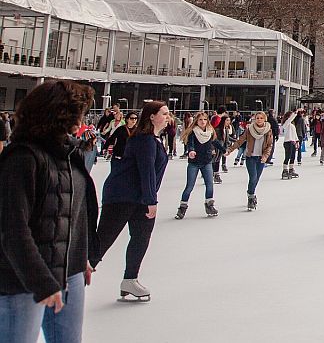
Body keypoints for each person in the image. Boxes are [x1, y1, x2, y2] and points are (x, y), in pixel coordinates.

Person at [0, 80, 98, 343]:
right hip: (21, 279)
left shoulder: (70, 154)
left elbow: (75, 213)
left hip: (69, 271)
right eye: (77, 113)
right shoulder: (22, 159)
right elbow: (13, 230)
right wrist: (41, 281)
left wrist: (80, 255)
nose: (81, 121)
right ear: (57, 114)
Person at [91, 100, 170, 301]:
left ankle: (130, 279)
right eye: (164, 113)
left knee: (141, 237)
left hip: (138, 198)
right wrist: (151, 200)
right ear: (151, 116)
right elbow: (147, 171)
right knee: (104, 239)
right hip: (123, 197)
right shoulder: (144, 140)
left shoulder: (153, 139)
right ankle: (75, 274)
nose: (168, 117)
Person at [225, 111, 274, 211]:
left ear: (264, 119)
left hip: (261, 158)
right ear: (255, 119)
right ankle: (251, 197)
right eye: (257, 118)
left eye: (261, 118)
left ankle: (250, 192)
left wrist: (265, 156)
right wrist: (230, 149)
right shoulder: (249, 129)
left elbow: (269, 145)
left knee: (256, 179)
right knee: (253, 177)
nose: (259, 120)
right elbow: (240, 140)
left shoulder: (268, 130)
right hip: (251, 157)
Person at [175, 111, 220, 219]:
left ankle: (209, 205)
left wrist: (225, 149)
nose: (203, 122)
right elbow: (191, 143)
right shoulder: (193, 132)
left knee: (210, 185)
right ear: (196, 121)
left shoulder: (210, 131)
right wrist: (191, 151)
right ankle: (182, 207)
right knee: (189, 186)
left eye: (205, 119)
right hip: (194, 163)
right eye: (200, 120)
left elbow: (215, 142)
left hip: (207, 162)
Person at [280, 110, 300, 180]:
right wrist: (295, 113)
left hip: (293, 142)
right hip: (287, 142)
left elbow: (295, 134)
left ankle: (291, 169)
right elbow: (290, 119)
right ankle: (285, 170)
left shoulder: (292, 125)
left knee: (292, 157)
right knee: (287, 157)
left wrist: (297, 141)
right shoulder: (286, 124)